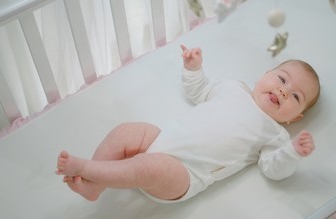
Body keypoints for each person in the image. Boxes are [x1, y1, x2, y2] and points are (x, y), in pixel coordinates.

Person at [56, 45, 321, 203]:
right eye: (282, 79)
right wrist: (194, 69)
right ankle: (95, 186)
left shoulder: (275, 134)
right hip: (162, 140)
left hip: (186, 173)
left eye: (296, 97)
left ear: (294, 118)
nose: (284, 91)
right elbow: (200, 92)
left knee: (147, 167)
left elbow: (273, 168)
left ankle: (90, 169)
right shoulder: (233, 88)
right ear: (265, 75)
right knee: (126, 131)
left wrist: (292, 152)